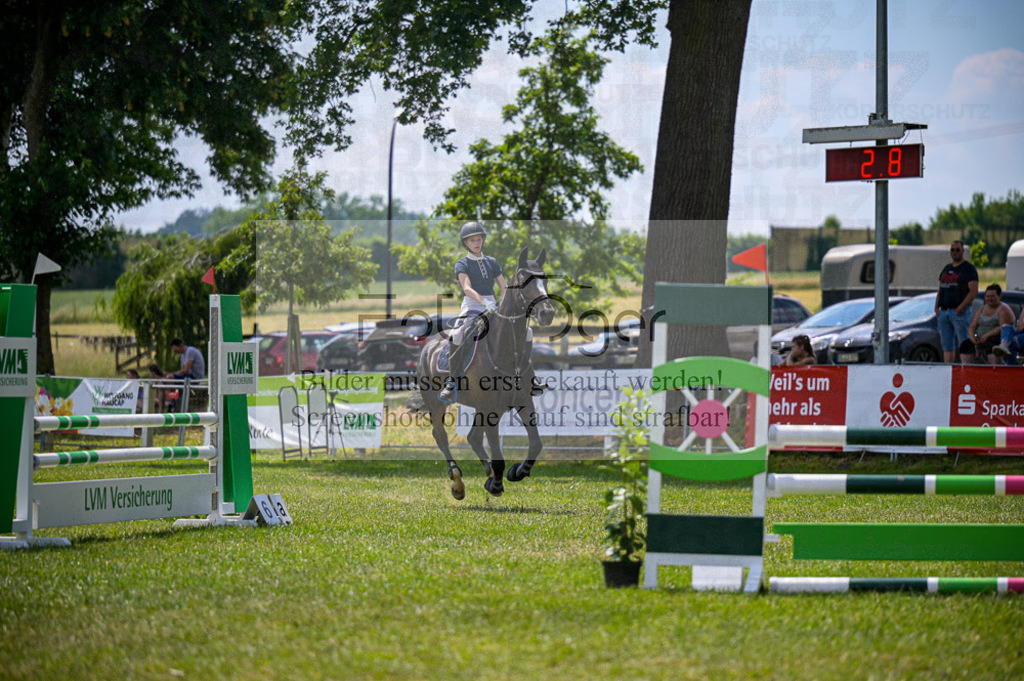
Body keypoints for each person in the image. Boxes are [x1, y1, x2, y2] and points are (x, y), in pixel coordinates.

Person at [437, 221, 508, 402]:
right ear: (466, 244)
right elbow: (467, 288)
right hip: (473, 307)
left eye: (479, 239)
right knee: (459, 335)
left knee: (525, 332)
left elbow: (504, 286)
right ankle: (452, 382)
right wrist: (484, 302)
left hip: (494, 307)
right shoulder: (462, 264)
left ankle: (525, 375)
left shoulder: (492, 262)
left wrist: (505, 303)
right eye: (472, 240)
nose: (477, 243)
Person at [935, 240, 979, 363]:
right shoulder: (946, 268)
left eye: (957, 250)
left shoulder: (968, 269)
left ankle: (967, 371)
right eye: (952, 250)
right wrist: (936, 306)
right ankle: (948, 372)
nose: (955, 252)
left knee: (965, 343)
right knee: (947, 346)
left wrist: (961, 307)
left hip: (960, 312)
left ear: (962, 251)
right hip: (944, 312)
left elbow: (974, 291)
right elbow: (941, 288)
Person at [962, 284, 1015, 365]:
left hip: (996, 339)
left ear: (999, 296)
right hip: (981, 339)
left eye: (992, 296)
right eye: (987, 296)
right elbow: (972, 326)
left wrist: (987, 336)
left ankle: (996, 368)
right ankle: (967, 370)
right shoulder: (981, 309)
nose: (989, 299)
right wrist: (972, 337)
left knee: (991, 343)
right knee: (965, 344)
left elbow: (1003, 328)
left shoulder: (1004, 309)